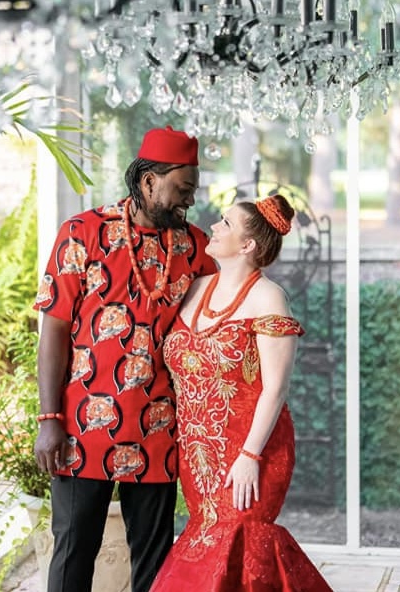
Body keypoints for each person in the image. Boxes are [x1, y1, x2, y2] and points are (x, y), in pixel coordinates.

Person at [32, 125, 219, 592]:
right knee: (73, 554)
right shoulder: (82, 233)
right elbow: (53, 330)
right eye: (183, 188)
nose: (189, 200)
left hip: (158, 432)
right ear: (149, 181)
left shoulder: (196, 248)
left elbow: (214, 328)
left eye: (193, 190)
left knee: (155, 567)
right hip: (81, 431)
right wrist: (49, 420)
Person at [149, 194, 334, 592]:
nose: (213, 227)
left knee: (241, 537)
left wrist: (250, 456)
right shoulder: (194, 287)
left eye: (226, 223)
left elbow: (276, 388)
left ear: (248, 245)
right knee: (209, 533)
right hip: (197, 453)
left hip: (252, 451)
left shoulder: (269, 297)